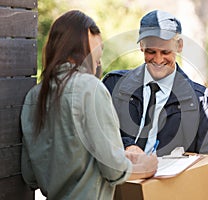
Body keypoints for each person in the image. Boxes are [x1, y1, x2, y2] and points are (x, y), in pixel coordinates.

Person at [103, 10, 208, 199]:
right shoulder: (113, 86)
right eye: (151, 51)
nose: (158, 60)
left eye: (165, 52)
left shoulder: (200, 101)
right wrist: (127, 146)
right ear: (141, 46)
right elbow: (96, 133)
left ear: (179, 46)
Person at [21, 10, 158, 200]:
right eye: (96, 56)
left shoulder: (34, 96)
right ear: (80, 49)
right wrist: (147, 167)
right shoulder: (90, 89)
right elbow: (113, 171)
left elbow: (30, 175)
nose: (97, 65)